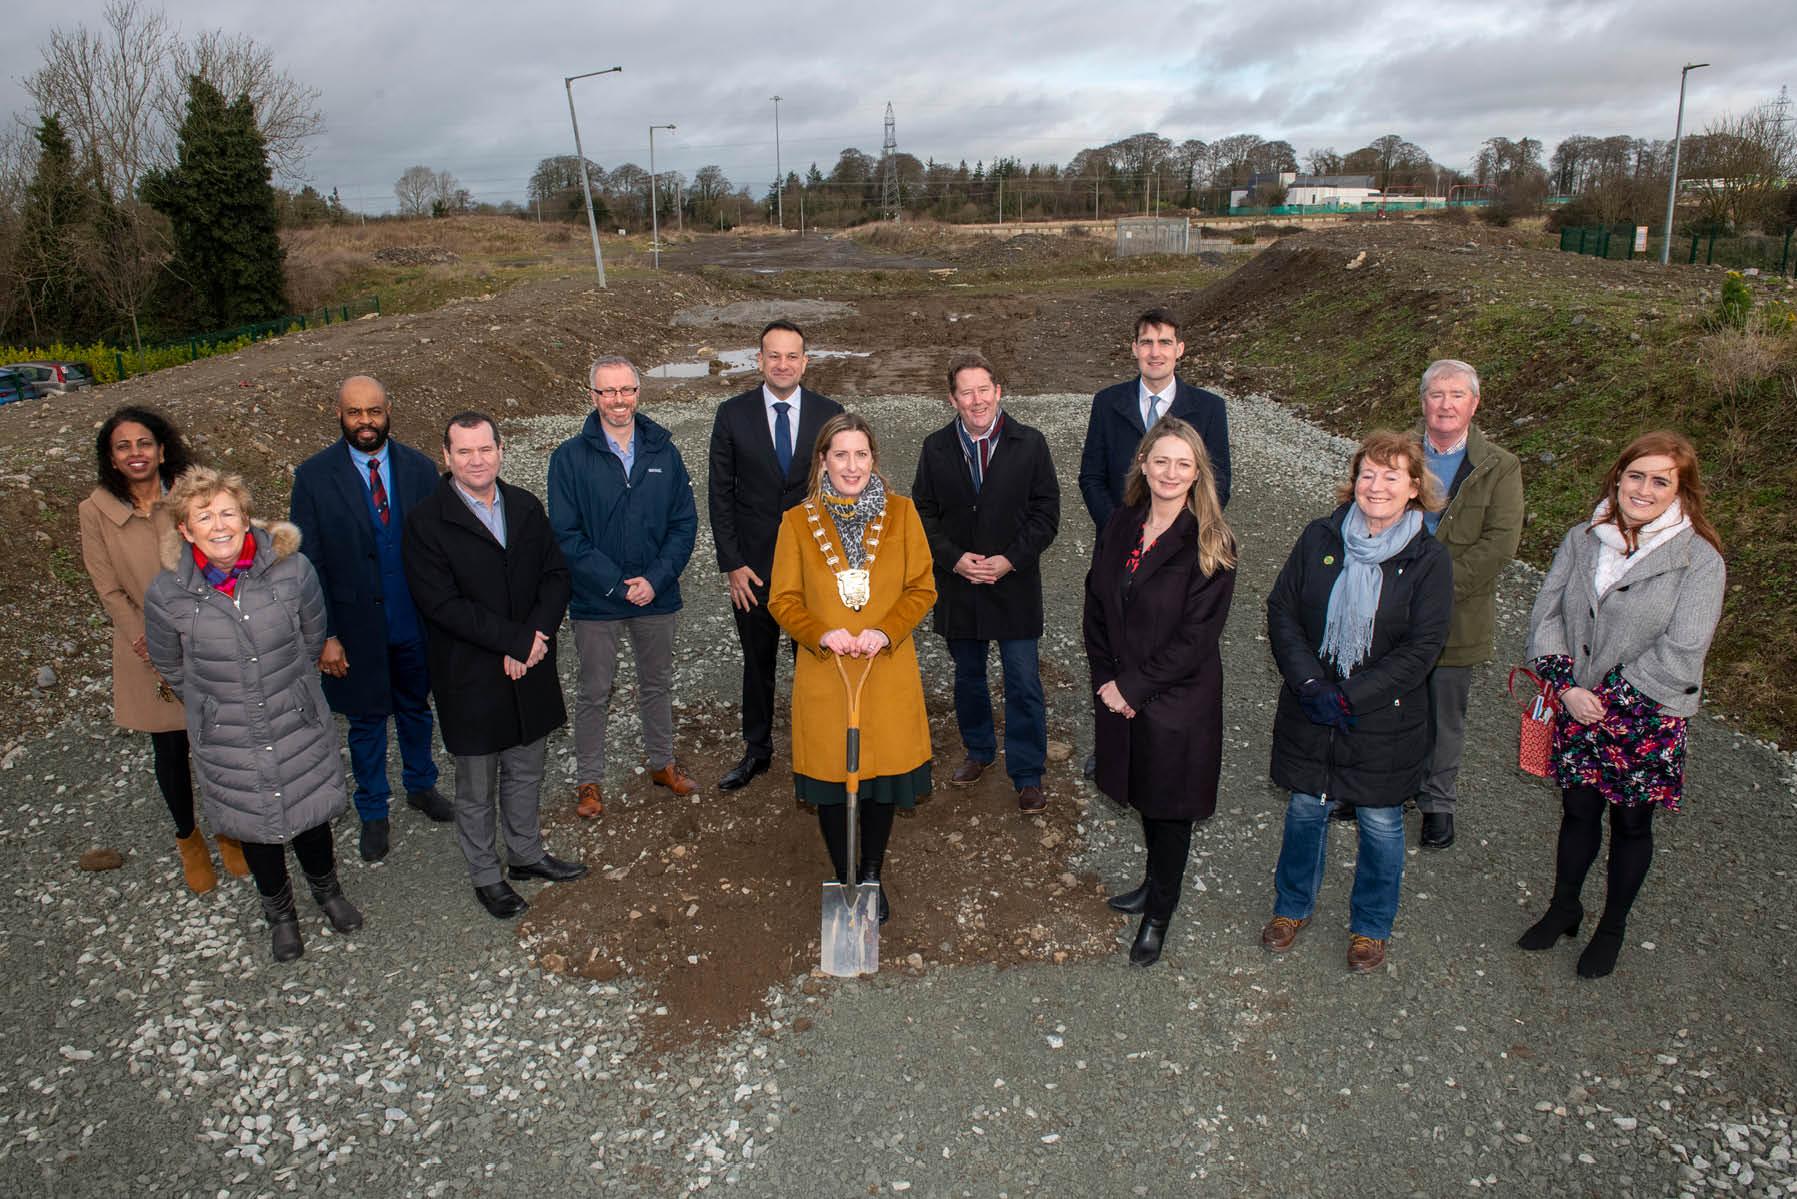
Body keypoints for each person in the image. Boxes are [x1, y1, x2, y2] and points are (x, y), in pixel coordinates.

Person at [1518, 431, 1725, 979]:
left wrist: (1607, 702)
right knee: (1578, 809)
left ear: (1681, 490)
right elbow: (1548, 614)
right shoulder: (1583, 539)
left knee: (1632, 823)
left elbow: (1685, 647)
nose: (1645, 489)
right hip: (1576, 701)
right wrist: (1564, 686)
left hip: (1645, 716)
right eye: (1637, 475)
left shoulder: (1699, 561)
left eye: (1661, 480)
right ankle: (1565, 907)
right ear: (1618, 476)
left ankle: (1612, 926)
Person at [144, 468, 361, 963]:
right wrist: (217, 704)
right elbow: (172, 666)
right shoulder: (167, 594)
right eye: (204, 516)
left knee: (308, 812)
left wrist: (286, 687)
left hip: (293, 714)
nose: (218, 525)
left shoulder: (293, 571)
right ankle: (279, 914)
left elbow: (312, 638)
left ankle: (327, 893)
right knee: (256, 822)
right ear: (185, 529)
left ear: (245, 517)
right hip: (229, 732)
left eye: (227, 512)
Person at [1260, 431, 1451, 974]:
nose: (1377, 485)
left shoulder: (1428, 559)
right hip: (1312, 706)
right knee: (1304, 809)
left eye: (1392, 476)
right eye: (1368, 473)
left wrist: (1351, 696)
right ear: (1354, 479)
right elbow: (1282, 611)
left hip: (1383, 716)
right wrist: (1311, 686)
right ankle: (1291, 907)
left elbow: (1423, 648)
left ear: (1414, 487)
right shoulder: (1321, 535)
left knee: (1381, 821)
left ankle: (1370, 926)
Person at [403, 412, 586, 920]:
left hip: (531, 663)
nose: (476, 460)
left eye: (485, 448)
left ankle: (526, 854)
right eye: (464, 451)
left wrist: (536, 637)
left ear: (501, 449)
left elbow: (555, 576)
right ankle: (487, 875)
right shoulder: (425, 521)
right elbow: (440, 604)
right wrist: (515, 639)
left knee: (527, 768)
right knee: (478, 784)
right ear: (446, 457)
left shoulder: (525, 506)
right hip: (471, 673)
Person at [767, 413, 936, 923]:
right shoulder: (796, 522)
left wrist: (886, 631)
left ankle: (871, 874)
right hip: (828, 673)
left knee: (881, 777)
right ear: (823, 461)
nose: (852, 465)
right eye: (840, 454)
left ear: (873, 460)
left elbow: (922, 587)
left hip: (885, 669)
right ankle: (843, 875)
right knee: (833, 778)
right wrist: (820, 633)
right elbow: (783, 598)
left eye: (861, 454)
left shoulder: (903, 514)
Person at [1083, 417, 1236, 967]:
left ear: (1198, 474)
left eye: (1183, 464)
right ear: (1143, 465)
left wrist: (1133, 687)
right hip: (1120, 693)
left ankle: (1159, 912)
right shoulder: (1121, 524)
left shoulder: (1212, 542)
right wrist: (1106, 678)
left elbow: (1196, 638)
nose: (1171, 473)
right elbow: (1096, 602)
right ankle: (1152, 885)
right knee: (1143, 794)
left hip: (1177, 704)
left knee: (1169, 810)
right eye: (1161, 461)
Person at [80, 407, 250, 892]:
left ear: (161, 448)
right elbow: (107, 586)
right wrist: (144, 637)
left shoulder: (190, 497)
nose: (136, 453)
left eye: (144, 443)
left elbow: (222, 553)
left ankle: (228, 832)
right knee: (171, 748)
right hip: (143, 648)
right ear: (111, 458)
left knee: (218, 742)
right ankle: (188, 839)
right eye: (123, 446)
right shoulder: (95, 510)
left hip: (206, 636)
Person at [290, 375, 449, 863]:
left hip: (413, 620)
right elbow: (306, 563)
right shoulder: (314, 478)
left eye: (374, 412)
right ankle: (373, 810)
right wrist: (326, 636)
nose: (365, 422)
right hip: (353, 629)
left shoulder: (420, 470)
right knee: (365, 722)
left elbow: (441, 550)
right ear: (339, 414)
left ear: (388, 411)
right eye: (355, 413)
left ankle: (421, 785)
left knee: (417, 709)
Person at [1077, 306, 1232, 778]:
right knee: (1118, 633)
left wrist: (1175, 532)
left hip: (1180, 548)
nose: (1155, 351)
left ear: (1180, 350)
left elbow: (1218, 482)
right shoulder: (1108, 402)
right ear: (1134, 350)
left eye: (1165, 342)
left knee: (1167, 636)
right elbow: (1091, 475)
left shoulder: (1208, 408)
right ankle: (1115, 741)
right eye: (1147, 342)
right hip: (1124, 544)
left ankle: (1158, 738)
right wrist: (1122, 528)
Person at [548, 356, 699, 818]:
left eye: (626, 390)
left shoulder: (663, 452)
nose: (618, 400)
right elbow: (567, 535)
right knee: (595, 690)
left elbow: (684, 523)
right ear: (592, 396)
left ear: (638, 392)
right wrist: (617, 585)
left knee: (656, 683)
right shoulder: (569, 458)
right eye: (608, 392)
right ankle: (589, 780)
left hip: (657, 596)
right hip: (597, 601)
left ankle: (661, 762)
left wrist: (654, 580)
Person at [912, 352, 1060, 813]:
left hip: (1013, 583)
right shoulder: (935, 448)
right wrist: (954, 560)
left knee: (1022, 679)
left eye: (983, 389)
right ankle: (978, 751)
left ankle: (1028, 772)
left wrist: (1009, 560)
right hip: (960, 585)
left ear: (999, 391)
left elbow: (1046, 513)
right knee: (969, 676)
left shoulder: (1030, 443)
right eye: (965, 392)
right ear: (952, 398)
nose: (976, 400)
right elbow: (922, 515)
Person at [708, 320, 845, 791]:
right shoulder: (732, 414)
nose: (782, 364)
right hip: (754, 568)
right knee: (757, 661)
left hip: (814, 567)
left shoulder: (830, 413)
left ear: (806, 362)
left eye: (792, 356)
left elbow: (842, 489)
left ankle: (821, 747)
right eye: (773, 355)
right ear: (759, 359)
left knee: (816, 659)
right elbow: (720, 494)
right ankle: (757, 750)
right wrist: (731, 564)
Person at [1415, 359, 1524, 849]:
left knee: (1444, 711)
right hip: (1386, 604)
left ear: (1474, 404)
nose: (1446, 404)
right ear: (1423, 402)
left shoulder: (1500, 466)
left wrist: (1435, 586)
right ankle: (1375, 784)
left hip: (1457, 611)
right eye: (1437, 394)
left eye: (1456, 395)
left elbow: (1500, 543)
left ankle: (1437, 802)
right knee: (1382, 700)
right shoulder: (1395, 452)